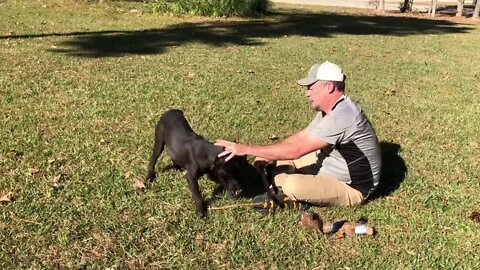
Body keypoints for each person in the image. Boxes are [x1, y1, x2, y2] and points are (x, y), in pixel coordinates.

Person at [215, 61, 381, 213]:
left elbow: (295, 151)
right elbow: (302, 136)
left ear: (329, 86)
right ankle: (281, 187)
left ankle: (287, 195)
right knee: (279, 160)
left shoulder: (342, 117)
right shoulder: (332, 109)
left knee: (292, 184)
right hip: (329, 165)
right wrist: (267, 155)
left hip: (353, 187)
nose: (307, 93)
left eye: (310, 86)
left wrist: (244, 149)